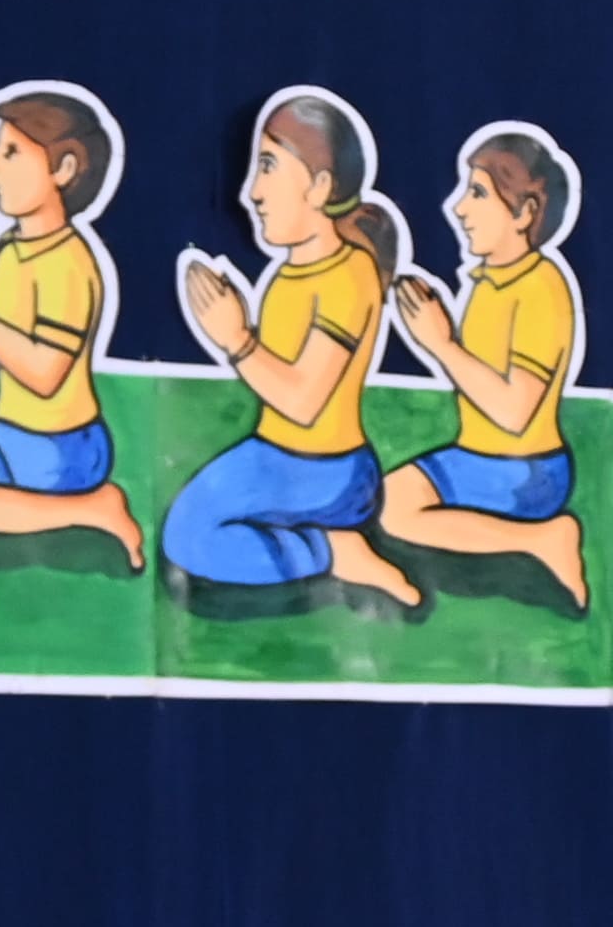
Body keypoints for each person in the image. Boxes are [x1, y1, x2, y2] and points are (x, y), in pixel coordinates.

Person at [161, 88, 423, 612]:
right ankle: (314, 543)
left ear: (320, 186)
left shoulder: (349, 275)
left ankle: (334, 551)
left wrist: (236, 338)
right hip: (275, 457)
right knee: (184, 530)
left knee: (193, 541)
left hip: (328, 472)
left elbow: (305, 402)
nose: (251, 193)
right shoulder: (286, 276)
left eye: (268, 167)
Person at [0, 84, 145, 568]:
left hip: (63, 445)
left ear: (64, 169)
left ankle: (91, 508)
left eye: (11, 152)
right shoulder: (12, 249)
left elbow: (44, 374)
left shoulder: (67, 262)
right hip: (16, 433)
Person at [378, 122, 590, 613]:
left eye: (477, 193)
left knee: (394, 513)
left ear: (524, 213)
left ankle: (543, 539)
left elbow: (515, 411)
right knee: (383, 498)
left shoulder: (541, 288)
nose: (458, 208)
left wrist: (441, 344)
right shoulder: (491, 281)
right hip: (478, 457)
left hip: (526, 470)